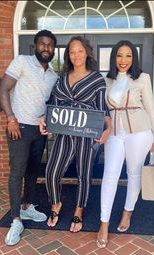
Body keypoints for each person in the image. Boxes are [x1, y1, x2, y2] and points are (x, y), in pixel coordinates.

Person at [40, 36, 111, 233]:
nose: (76, 55)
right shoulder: (62, 79)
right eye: (72, 51)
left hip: (87, 134)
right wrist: (44, 120)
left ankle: (79, 210)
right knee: (51, 171)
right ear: (68, 55)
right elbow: (52, 105)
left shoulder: (96, 79)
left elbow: (103, 109)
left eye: (80, 51)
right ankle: (56, 204)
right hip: (64, 133)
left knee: (84, 175)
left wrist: (108, 130)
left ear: (87, 52)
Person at [96, 40, 154, 248]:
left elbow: (151, 109)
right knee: (110, 175)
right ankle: (103, 223)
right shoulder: (106, 80)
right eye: (119, 56)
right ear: (114, 58)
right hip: (114, 132)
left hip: (140, 132)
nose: (124, 60)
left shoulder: (142, 78)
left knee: (134, 173)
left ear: (134, 58)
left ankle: (127, 212)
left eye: (128, 56)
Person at [0, 29, 58, 246]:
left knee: (33, 171)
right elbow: (3, 89)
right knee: (17, 172)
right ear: (35, 46)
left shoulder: (53, 74)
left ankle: (27, 207)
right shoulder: (22, 62)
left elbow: (50, 105)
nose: (46, 48)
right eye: (42, 44)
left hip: (38, 131)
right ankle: (15, 220)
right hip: (19, 127)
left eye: (50, 45)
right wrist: (10, 118)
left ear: (54, 49)